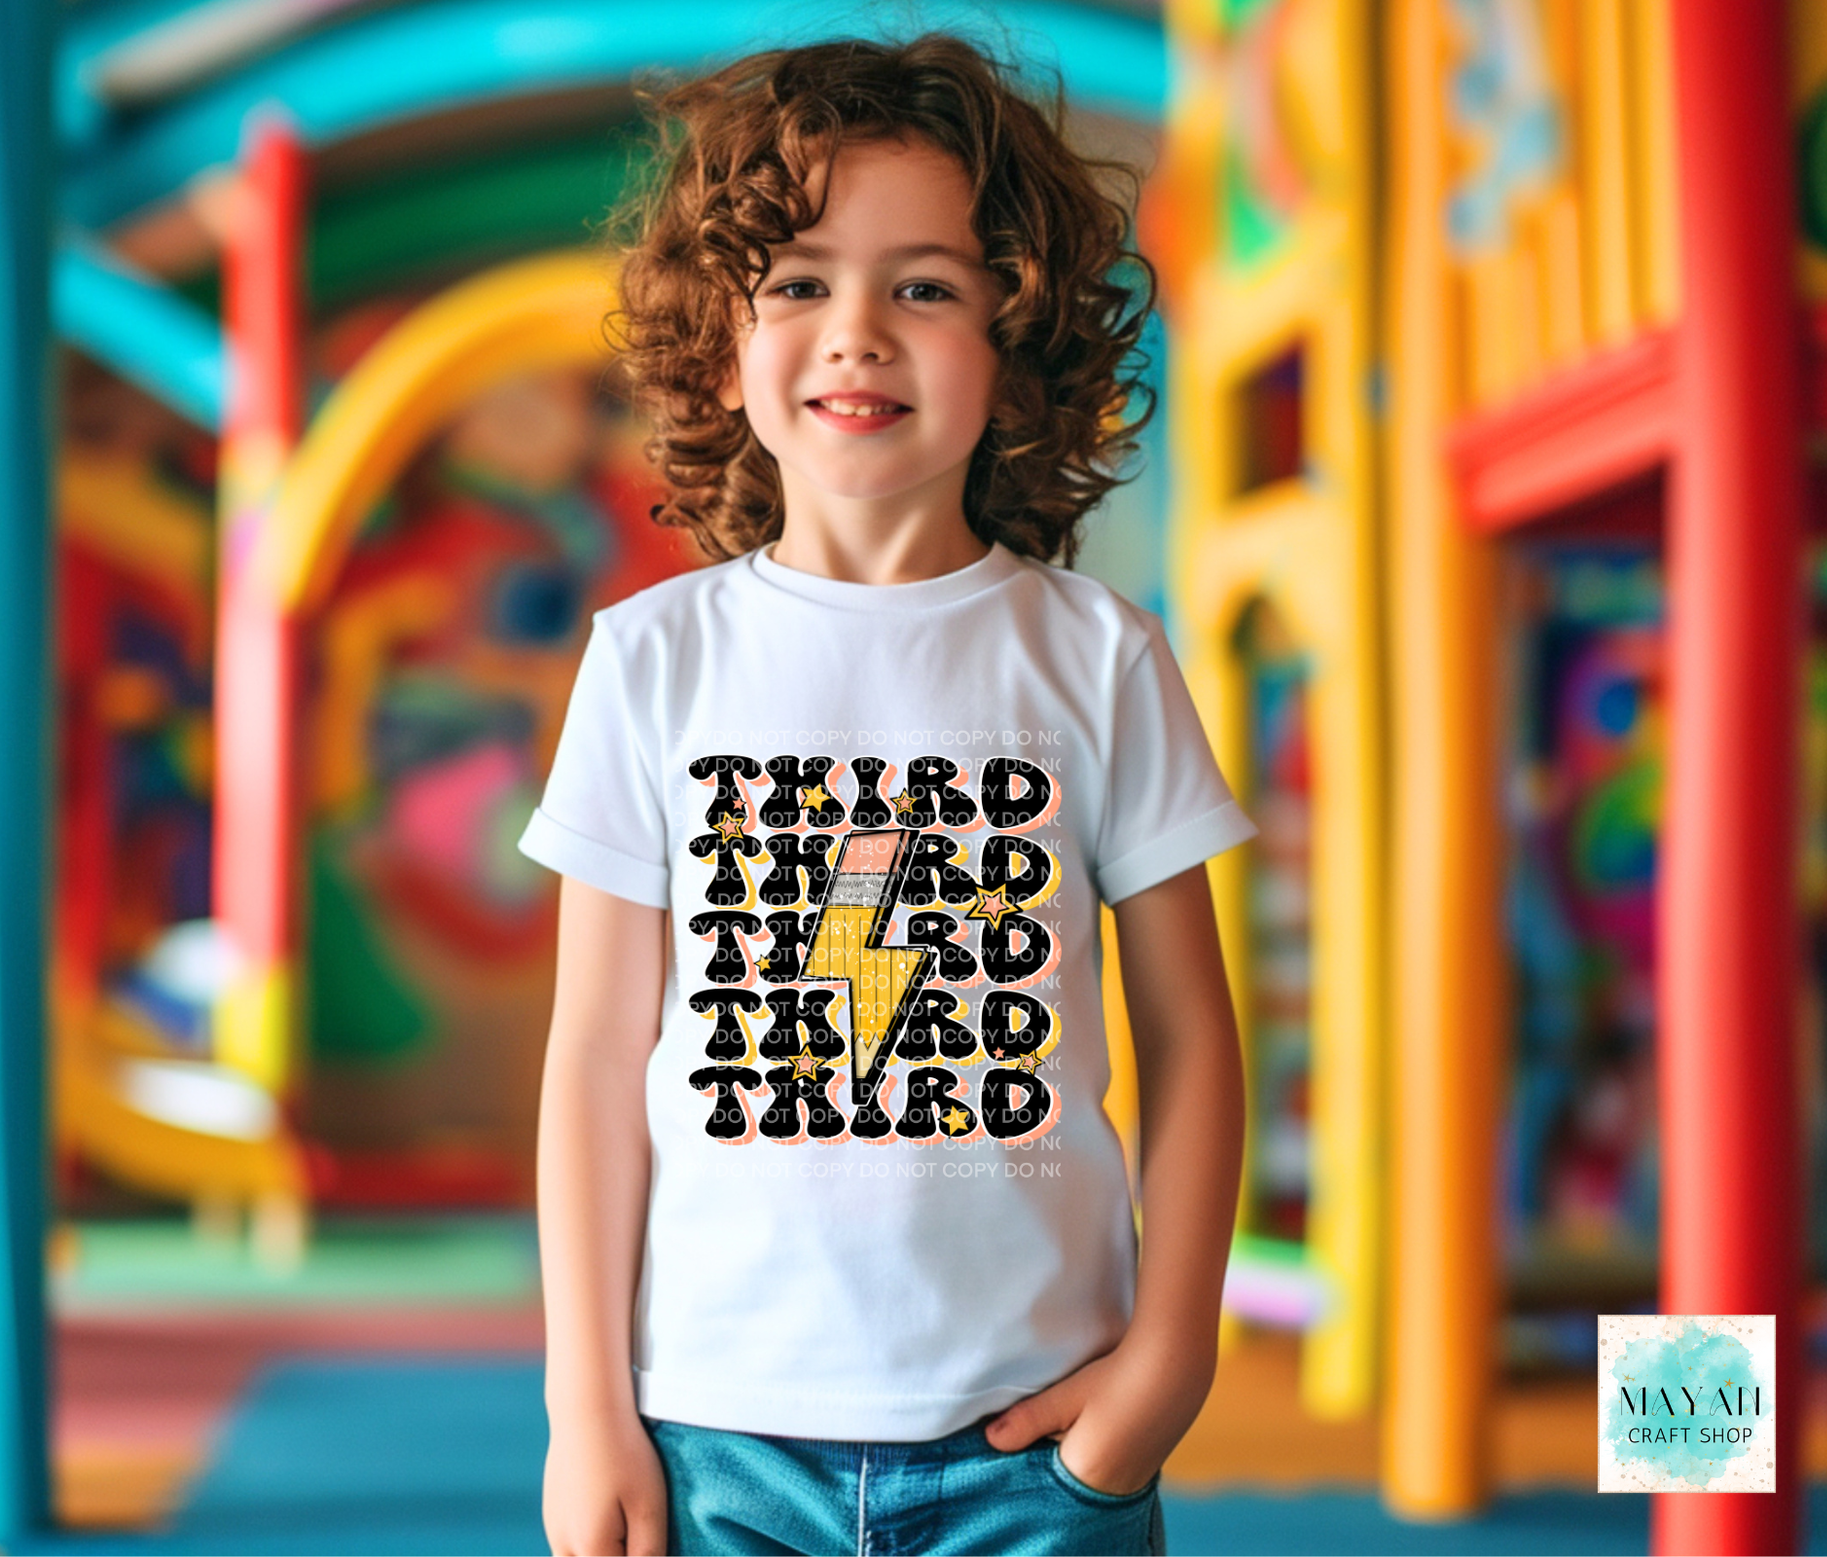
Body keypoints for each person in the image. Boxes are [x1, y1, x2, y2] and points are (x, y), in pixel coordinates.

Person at [527, 34, 1255, 1557]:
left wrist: (1166, 1365)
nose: (855, 330)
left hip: (1037, 1445)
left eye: (921, 285)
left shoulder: (1095, 658)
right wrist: (585, 1409)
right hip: (713, 1436)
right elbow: (597, 1057)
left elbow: (1191, 1037)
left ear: (1016, 336)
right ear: (723, 342)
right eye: (797, 282)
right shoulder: (648, 662)